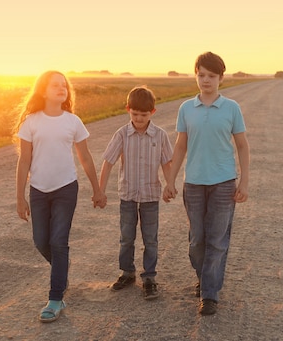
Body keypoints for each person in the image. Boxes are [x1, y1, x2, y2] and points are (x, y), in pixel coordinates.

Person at [15, 70, 106, 323]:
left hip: (66, 188)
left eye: (64, 85)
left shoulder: (73, 121)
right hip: (39, 191)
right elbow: (24, 162)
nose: (61, 88)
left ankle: (55, 298)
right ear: (43, 91)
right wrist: (20, 197)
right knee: (40, 241)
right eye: (55, 85)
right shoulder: (31, 122)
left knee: (58, 241)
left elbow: (85, 158)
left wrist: (97, 190)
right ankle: (61, 268)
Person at [162, 52, 250, 316]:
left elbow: (243, 146)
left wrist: (244, 182)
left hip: (224, 182)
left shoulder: (232, 108)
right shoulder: (186, 108)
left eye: (211, 76)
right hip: (194, 184)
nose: (206, 80)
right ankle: (204, 277)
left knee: (217, 238)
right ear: (196, 75)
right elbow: (180, 146)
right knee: (197, 239)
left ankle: (209, 293)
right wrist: (170, 180)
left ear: (221, 78)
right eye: (201, 75)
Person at [99, 86, 173, 300]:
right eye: (135, 114)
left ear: (153, 112)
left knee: (151, 239)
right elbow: (108, 162)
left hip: (150, 195)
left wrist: (170, 184)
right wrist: (100, 190)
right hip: (128, 195)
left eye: (144, 114)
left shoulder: (159, 135)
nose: (139, 119)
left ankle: (149, 277)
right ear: (127, 110)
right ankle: (127, 272)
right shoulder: (122, 134)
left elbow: (167, 163)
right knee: (126, 237)